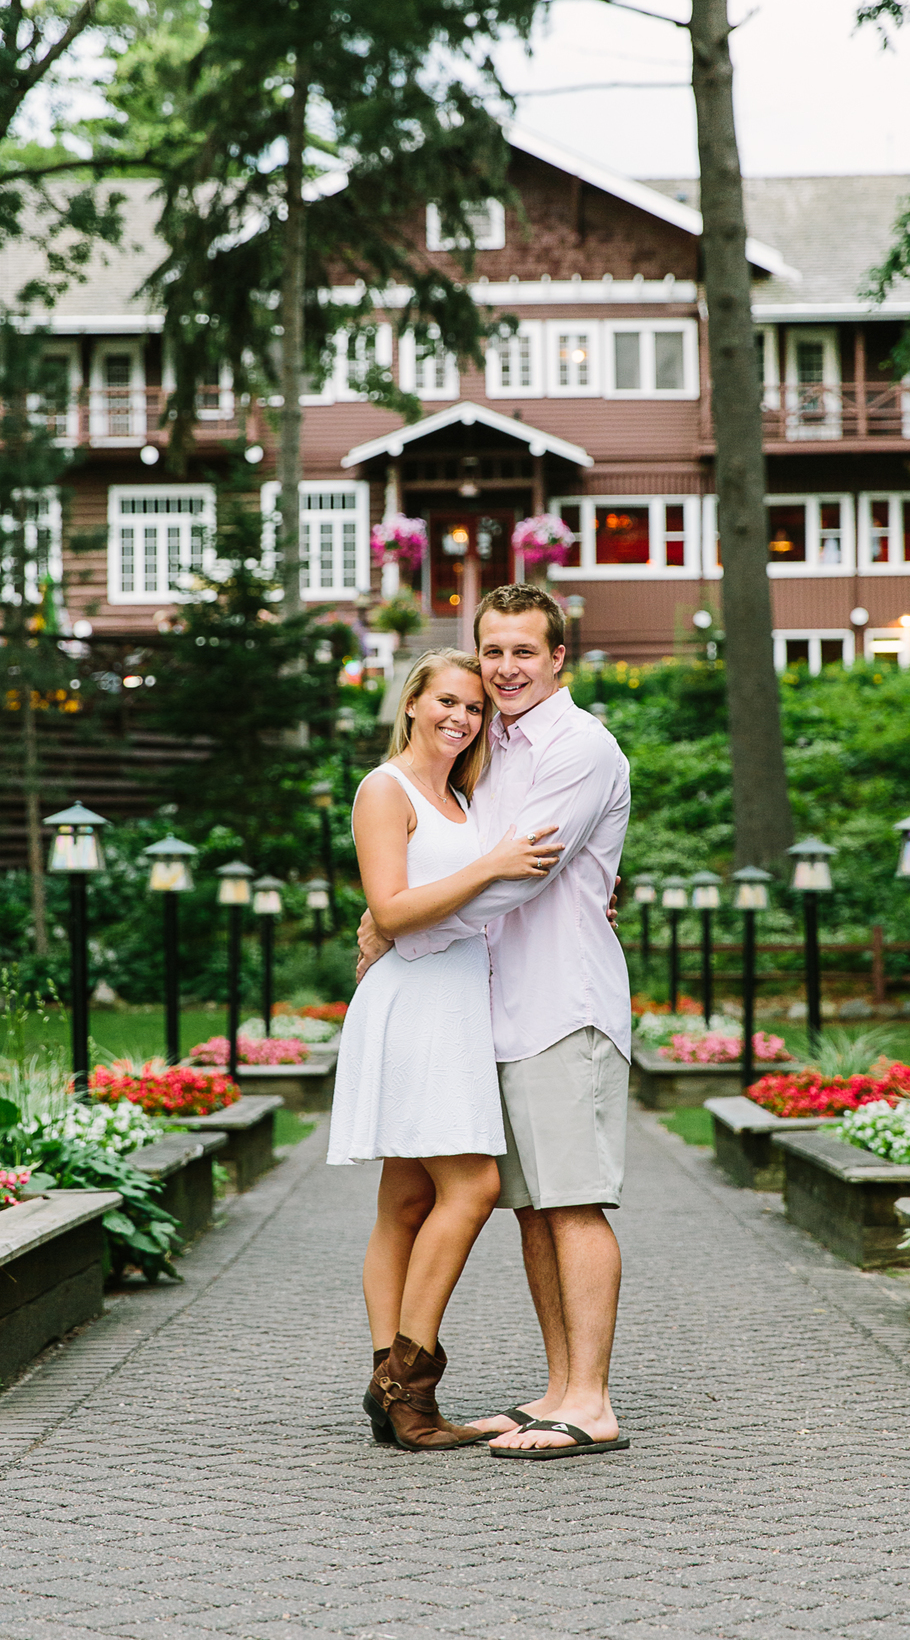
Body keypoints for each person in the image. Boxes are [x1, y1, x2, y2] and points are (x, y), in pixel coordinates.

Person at [360, 584, 634, 1462]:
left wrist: (397, 922)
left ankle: (590, 1400)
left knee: (574, 1202)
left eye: (525, 651)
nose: (506, 669)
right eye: (492, 653)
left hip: (563, 1005)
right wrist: (399, 911)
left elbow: (522, 877)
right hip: (496, 1013)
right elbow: (467, 851)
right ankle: (557, 1387)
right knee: (531, 1207)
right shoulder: (493, 746)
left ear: (560, 658)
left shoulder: (580, 747)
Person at [331, 649, 564, 1451]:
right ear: (413, 702)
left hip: (460, 1001)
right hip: (416, 1005)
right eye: (448, 702)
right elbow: (391, 910)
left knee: (405, 1201)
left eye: (474, 708)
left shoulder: (463, 796)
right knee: (473, 1184)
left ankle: (390, 1393)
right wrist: (494, 863)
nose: (462, 718)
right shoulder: (383, 789)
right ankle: (407, 1382)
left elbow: (477, 902)